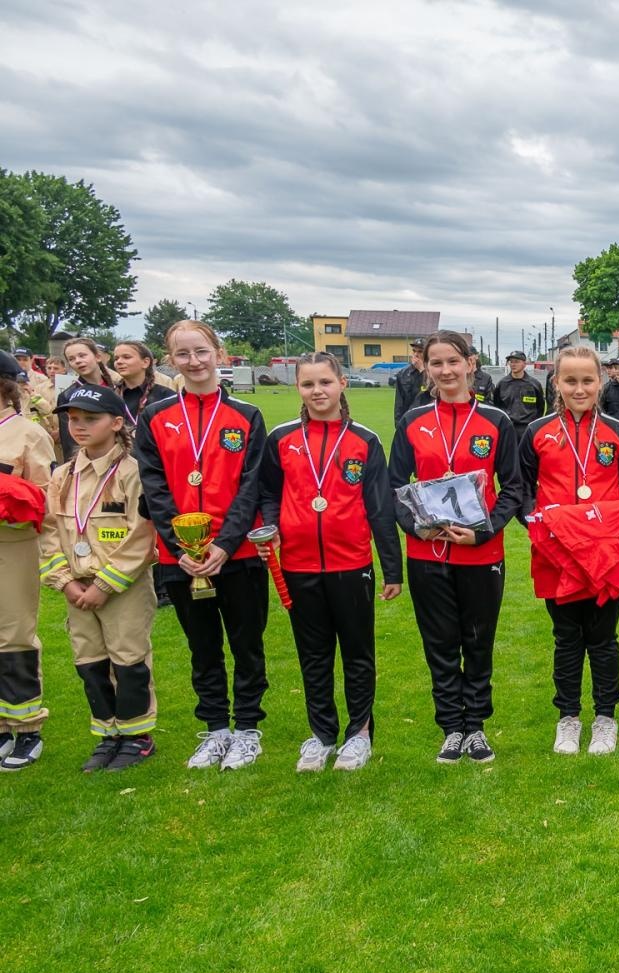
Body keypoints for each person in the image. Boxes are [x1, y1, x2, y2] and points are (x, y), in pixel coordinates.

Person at [133, 320, 270, 772]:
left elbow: (251, 487)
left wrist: (225, 545)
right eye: (183, 354)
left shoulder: (247, 416)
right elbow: (153, 486)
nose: (194, 362)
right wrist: (183, 546)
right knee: (203, 647)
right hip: (181, 559)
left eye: (201, 352)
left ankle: (247, 728)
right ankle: (215, 729)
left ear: (219, 353)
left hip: (238, 555)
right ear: (170, 359)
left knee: (247, 644)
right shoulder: (155, 417)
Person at [259, 353, 402, 772]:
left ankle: (359, 734)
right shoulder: (282, 439)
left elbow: (380, 509)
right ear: (297, 389)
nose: (318, 391)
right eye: (308, 384)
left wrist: (392, 568)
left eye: (325, 382)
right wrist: (272, 526)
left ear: (342, 384)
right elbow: (268, 494)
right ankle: (321, 735)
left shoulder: (365, 441)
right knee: (314, 655)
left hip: (351, 564)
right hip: (299, 566)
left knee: (358, 654)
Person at [391, 330, 522, 764]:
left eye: (453, 361)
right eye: (436, 363)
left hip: (481, 552)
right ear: (425, 368)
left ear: (470, 363)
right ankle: (451, 726)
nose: (445, 370)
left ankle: (477, 727)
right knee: (440, 642)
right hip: (427, 554)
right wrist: (417, 528)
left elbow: (513, 489)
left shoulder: (496, 421)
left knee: (478, 641)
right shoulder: (412, 422)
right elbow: (393, 486)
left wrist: (484, 532)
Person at [519, 345, 619, 756]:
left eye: (587, 380)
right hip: (557, 556)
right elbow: (521, 489)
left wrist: (616, 535)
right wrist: (536, 525)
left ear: (600, 382)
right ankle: (569, 718)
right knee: (566, 638)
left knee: (604, 639)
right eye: (570, 380)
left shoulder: (618, 433)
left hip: (603, 557)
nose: (579, 388)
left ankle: (606, 717)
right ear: (556, 382)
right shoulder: (537, 433)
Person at [39, 383, 159, 771]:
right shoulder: (62, 475)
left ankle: (136, 736)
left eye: (91, 419)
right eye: (73, 419)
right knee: (89, 662)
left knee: (128, 661)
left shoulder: (133, 472)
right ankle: (107, 734)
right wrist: (66, 582)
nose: (79, 427)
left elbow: (143, 535)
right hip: (77, 589)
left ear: (117, 422)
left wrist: (104, 585)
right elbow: (49, 532)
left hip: (121, 588)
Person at [0, 351, 54, 770]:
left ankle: (27, 727)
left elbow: (45, 500)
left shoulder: (27, 433)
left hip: (10, 544)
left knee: (13, 634)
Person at [58, 337, 122, 464]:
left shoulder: (119, 388)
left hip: (122, 455)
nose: (78, 361)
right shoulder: (67, 396)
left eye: (82, 355)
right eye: (72, 359)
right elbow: (69, 442)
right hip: (89, 461)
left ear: (98, 357)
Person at [112, 342, 176, 431]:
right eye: (116, 358)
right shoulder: (109, 395)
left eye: (126, 357)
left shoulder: (166, 396)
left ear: (145, 362)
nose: (119, 362)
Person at [491, 350, 546, 440]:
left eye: (516, 362)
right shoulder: (502, 384)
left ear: (524, 364)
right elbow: (497, 405)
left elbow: (540, 407)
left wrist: (534, 424)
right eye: (511, 361)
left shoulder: (534, 384)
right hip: (508, 428)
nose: (513, 364)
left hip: (528, 429)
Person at [393, 339, 427, 427]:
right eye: (414, 351)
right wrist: (398, 425)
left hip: (427, 420)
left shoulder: (433, 373)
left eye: (420, 351)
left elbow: (430, 394)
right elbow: (399, 404)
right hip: (409, 421)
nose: (416, 354)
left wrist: (423, 371)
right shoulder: (403, 374)